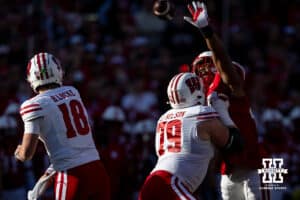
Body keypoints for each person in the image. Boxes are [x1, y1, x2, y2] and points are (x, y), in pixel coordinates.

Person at [184, 1, 269, 199]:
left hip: (259, 164)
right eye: (200, 67)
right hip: (229, 170)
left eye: (207, 65)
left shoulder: (229, 79)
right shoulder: (199, 100)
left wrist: (207, 32)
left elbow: (225, 68)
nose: (204, 71)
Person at [14, 52, 110, 200]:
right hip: (98, 170)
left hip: (71, 175)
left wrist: (18, 152)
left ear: (31, 77)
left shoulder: (33, 105)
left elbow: (27, 154)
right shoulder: (72, 92)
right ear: (58, 71)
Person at [139, 72, 244, 200]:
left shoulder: (163, 119)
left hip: (152, 182)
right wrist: (221, 109)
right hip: (171, 183)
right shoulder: (201, 114)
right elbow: (235, 143)